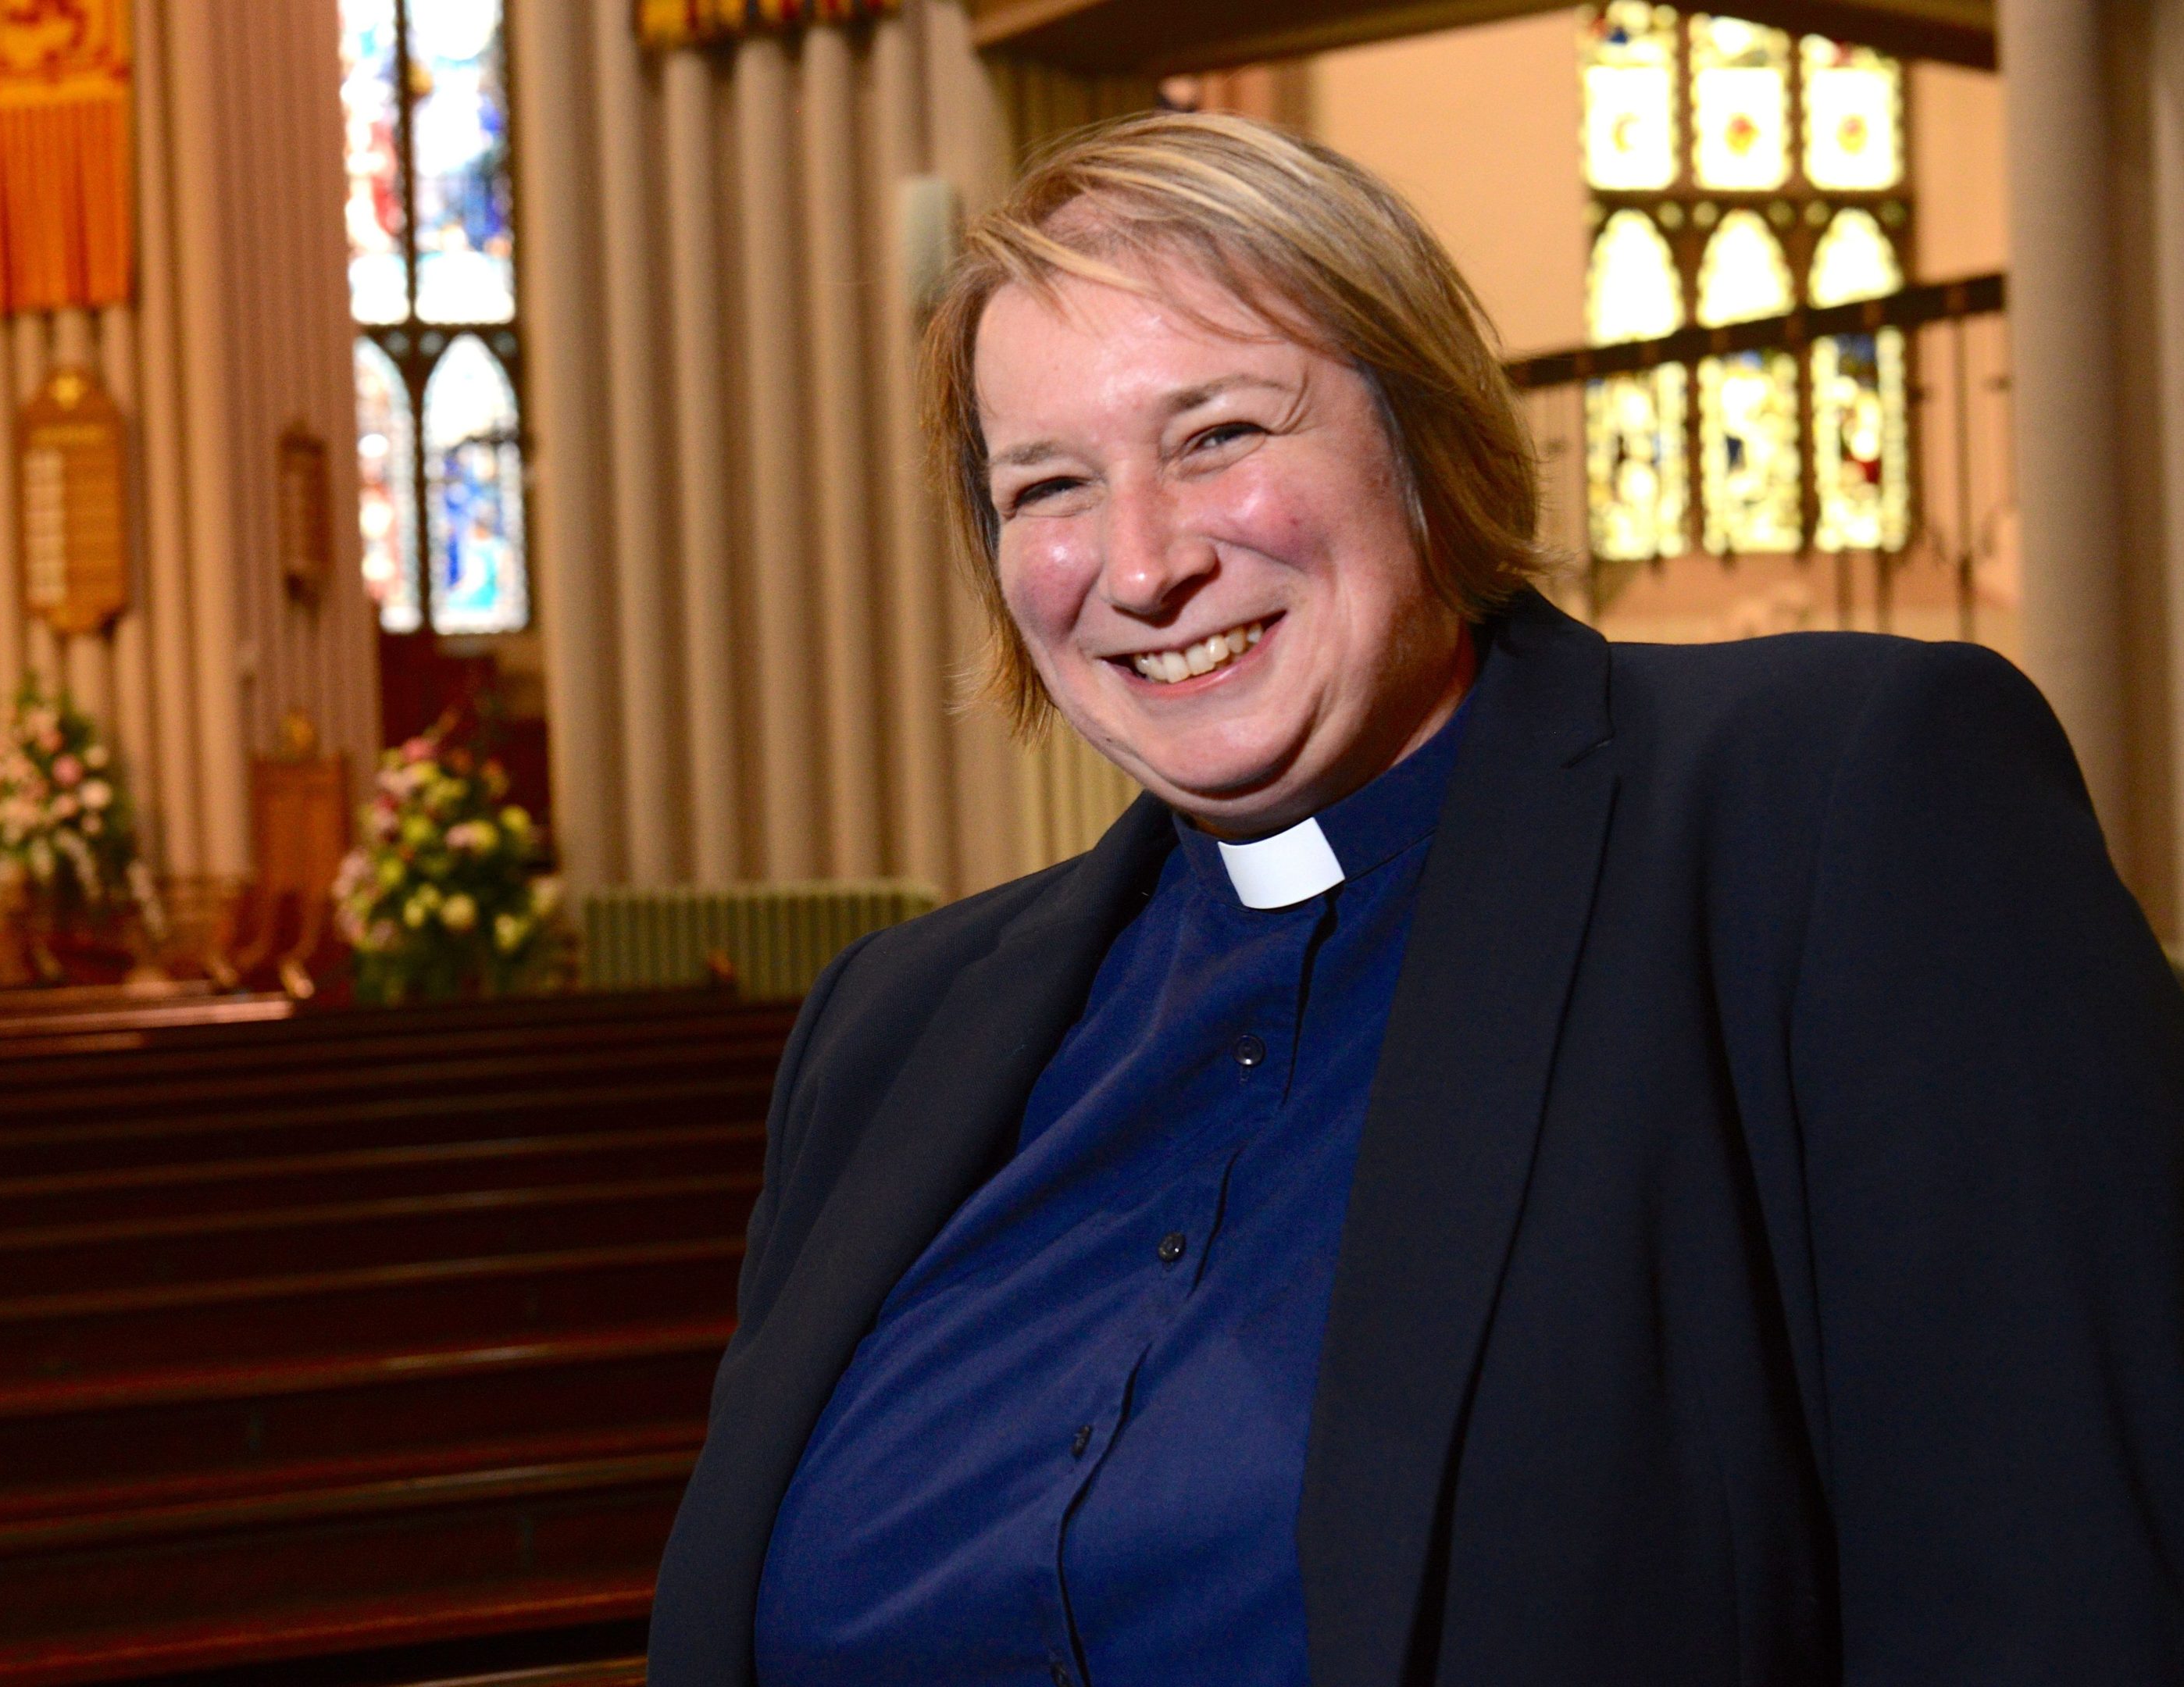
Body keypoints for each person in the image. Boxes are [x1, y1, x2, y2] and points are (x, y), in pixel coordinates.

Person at [648, 112, 2184, 1685]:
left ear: (1419, 434)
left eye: (1216, 436)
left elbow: (2057, 1592)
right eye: (1046, 485)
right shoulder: (891, 1026)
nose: (1138, 562)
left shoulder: (1828, 814)